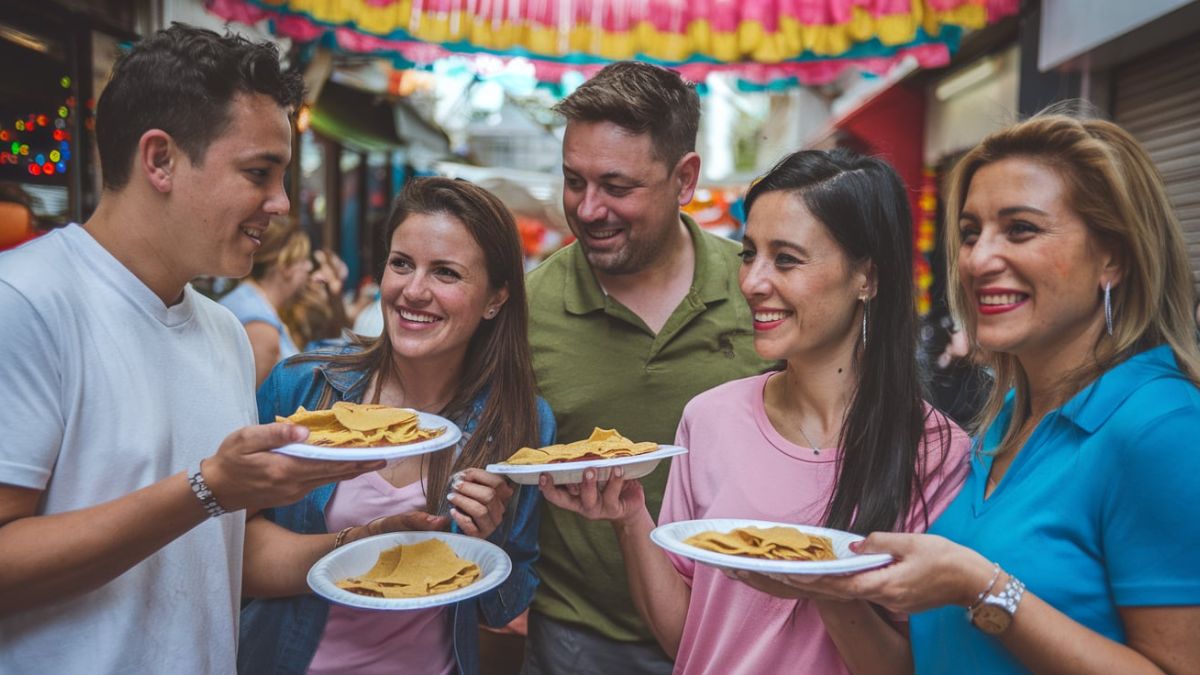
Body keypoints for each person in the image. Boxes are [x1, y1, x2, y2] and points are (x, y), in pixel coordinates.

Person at [0, 24, 385, 673]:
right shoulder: (28, 300)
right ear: (160, 160)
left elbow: (220, 558)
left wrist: (358, 545)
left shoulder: (224, 332)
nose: (282, 203)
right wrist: (205, 488)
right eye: (258, 173)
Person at [773, 114, 1200, 673]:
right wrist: (826, 585)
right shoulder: (1003, 421)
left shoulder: (1162, 426)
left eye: (1020, 229)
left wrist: (981, 587)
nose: (976, 260)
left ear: (1112, 256)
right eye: (971, 233)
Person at [540, 149, 971, 674]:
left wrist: (824, 590)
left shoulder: (936, 452)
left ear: (867, 278)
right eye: (749, 254)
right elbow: (688, 639)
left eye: (785, 259)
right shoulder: (710, 419)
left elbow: (911, 667)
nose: (751, 282)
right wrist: (630, 517)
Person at [238, 176, 555, 675]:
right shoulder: (303, 388)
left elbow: (503, 606)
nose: (413, 291)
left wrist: (487, 539)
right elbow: (231, 559)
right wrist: (367, 542)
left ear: (495, 300)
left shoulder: (520, 421)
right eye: (401, 264)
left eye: (446, 273)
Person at [522, 61, 774, 674]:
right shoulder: (527, 307)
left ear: (684, 178)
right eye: (573, 181)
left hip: (746, 635)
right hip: (577, 641)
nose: (587, 208)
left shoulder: (760, 292)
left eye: (617, 186)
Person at [220, 216, 312, 385]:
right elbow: (255, 404)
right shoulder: (259, 325)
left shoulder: (247, 301)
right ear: (285, 266)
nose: (309, 267)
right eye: (303, 260)